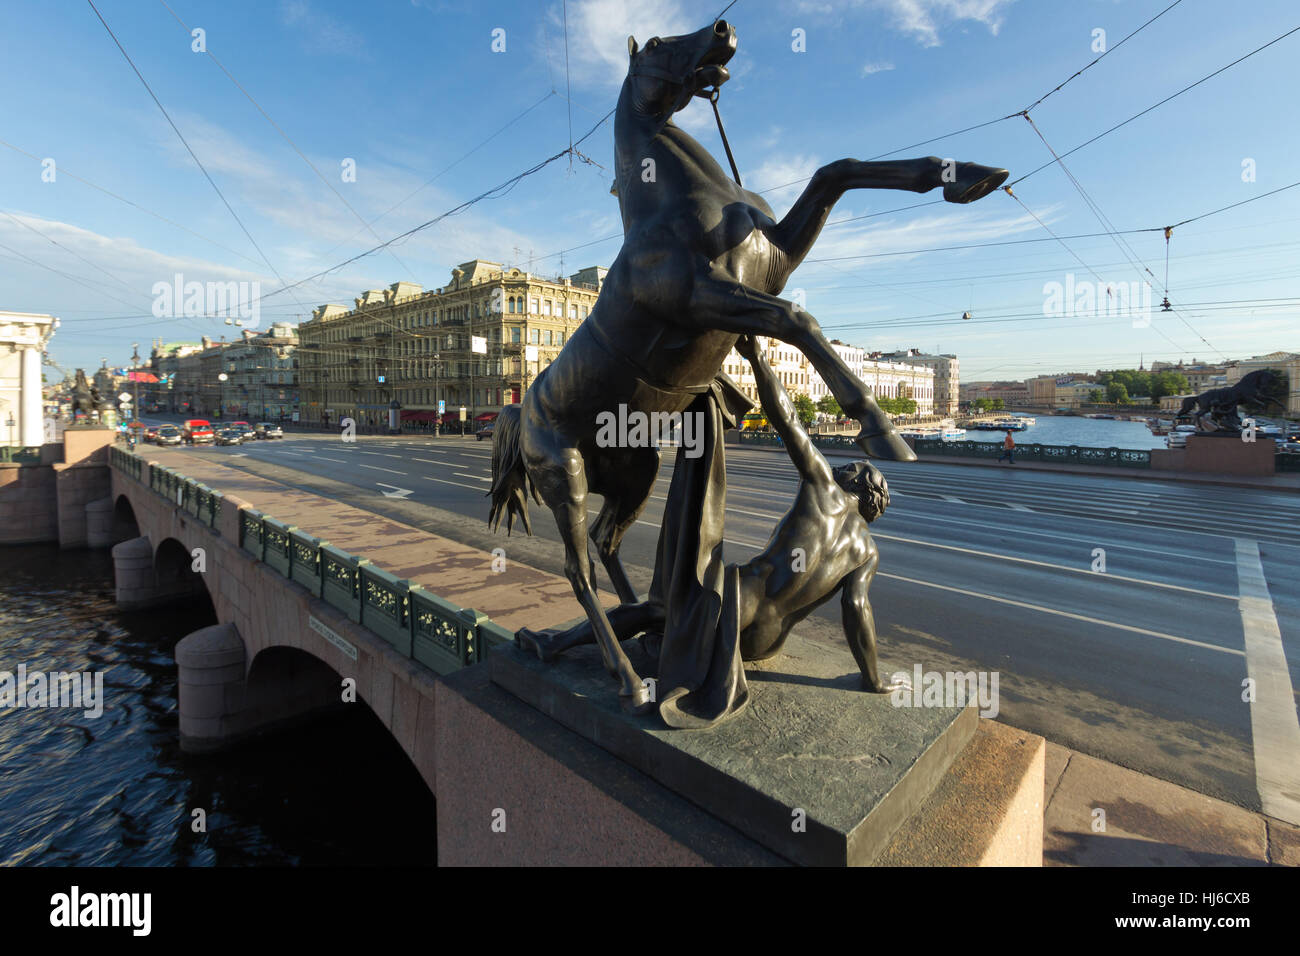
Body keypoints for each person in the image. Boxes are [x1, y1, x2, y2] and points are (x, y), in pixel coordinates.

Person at [518, 334, 903, 696]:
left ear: (861, 482)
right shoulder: (867, 553)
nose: (847, 465)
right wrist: (872, 678)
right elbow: (856, 609)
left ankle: (558, 642)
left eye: (855, 466)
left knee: (654, 611)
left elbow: (788, 421)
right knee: (664, 616)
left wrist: (758, 359)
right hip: (763, 643)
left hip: (738, 604)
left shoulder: (825, 490)